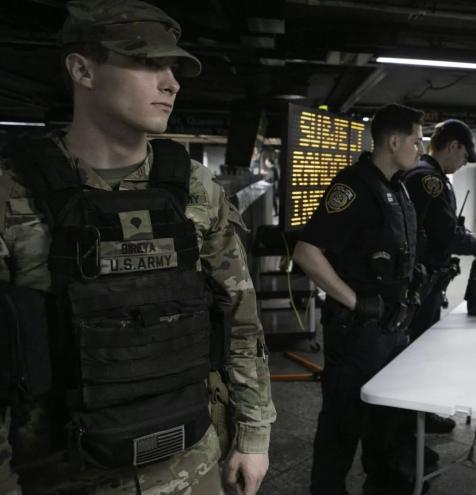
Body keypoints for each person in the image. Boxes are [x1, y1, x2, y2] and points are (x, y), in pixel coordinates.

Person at [0, 2, 275, 494]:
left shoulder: (196, 188)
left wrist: (253, 435)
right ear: (82, 69)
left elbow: (240, 317)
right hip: (63, 477)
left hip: (192, 466)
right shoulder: (12, 193)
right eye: (149, 64)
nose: (171, 83)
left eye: (172, 68)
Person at [293, 103, 424, 495]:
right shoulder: (353, 186)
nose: (420, 149)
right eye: (417, 141)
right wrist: (355, 301)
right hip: (358, 334)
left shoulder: (395, 186)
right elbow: (306, 252)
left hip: (391, 329)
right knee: (341, 425)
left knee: (384, 424)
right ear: (394, 140)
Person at [402, 119, 476, 434]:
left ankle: (414, 419)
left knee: (415, 347)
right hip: (422, 280)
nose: (462, 164)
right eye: (464, 155)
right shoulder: (429, 179)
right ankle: (414, 422)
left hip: (417, 279)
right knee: (419, 350)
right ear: (454, 146)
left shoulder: (420, 173)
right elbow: (448, 238)